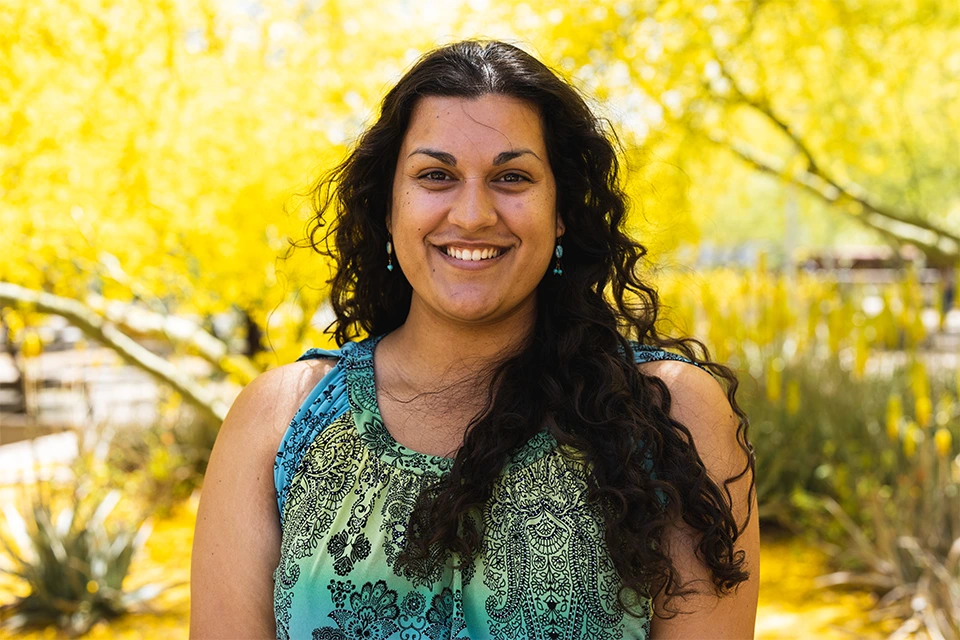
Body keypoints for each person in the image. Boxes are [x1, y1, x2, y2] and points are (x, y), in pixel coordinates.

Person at [191, 40, 759, 639]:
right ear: (389, 207)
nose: (472, 214)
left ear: (561, 209)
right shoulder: (278, 420)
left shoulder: (670, 417)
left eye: (511, 177)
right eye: (436, 175)